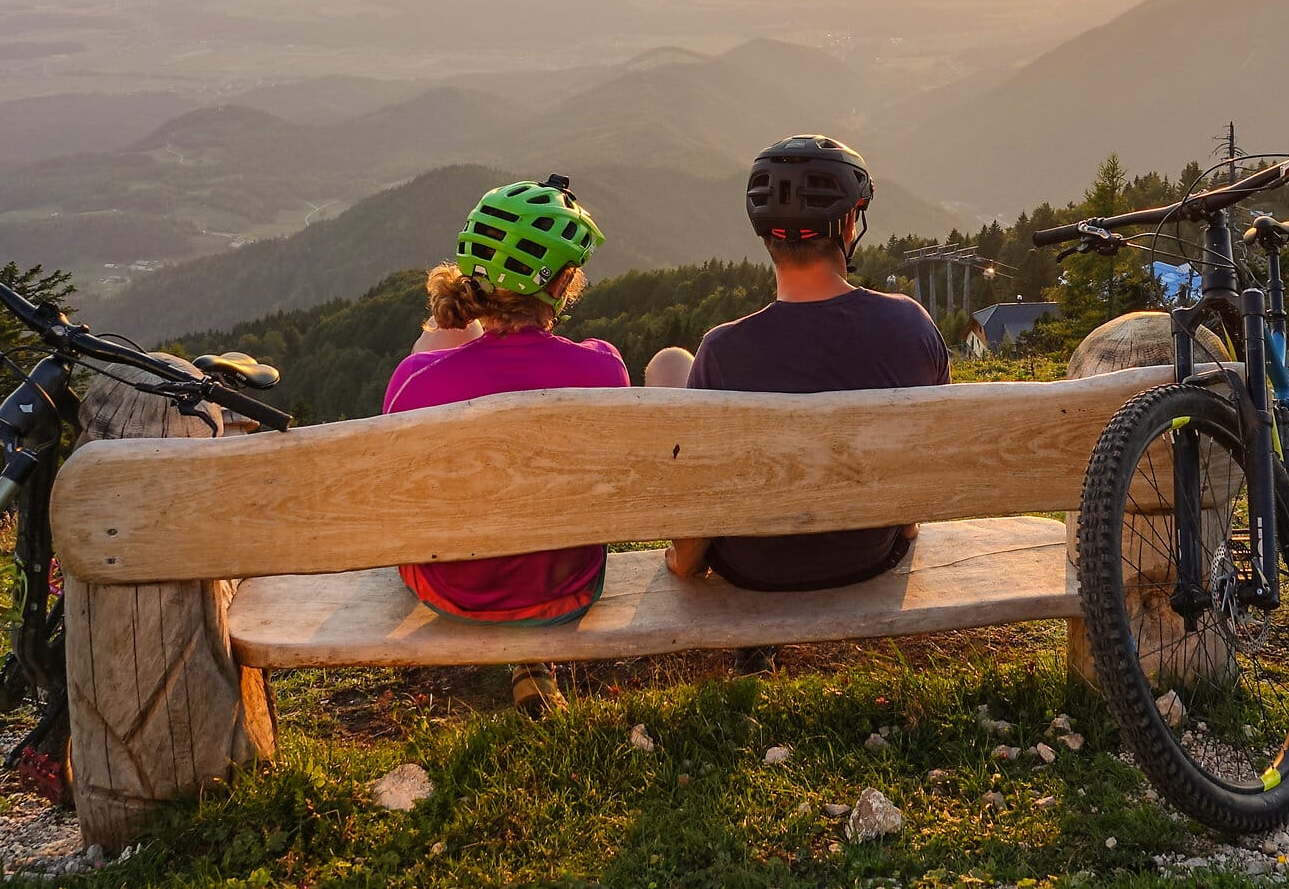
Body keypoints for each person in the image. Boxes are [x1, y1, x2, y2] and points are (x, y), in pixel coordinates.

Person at [662, 135, 948, 672]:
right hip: (868, 554)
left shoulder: (721, 351)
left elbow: (699, 488)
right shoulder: (909, 324)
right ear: (848, 225)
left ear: (763, 233)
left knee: (670, 371)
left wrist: (685, 562)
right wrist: (904, 525)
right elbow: (926, 456)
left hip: (753, 569)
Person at [383, 174, 628, 714]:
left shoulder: (415, 379)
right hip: (565, 583)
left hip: (452, 587)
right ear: (562, 284)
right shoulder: (604, 370)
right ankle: (534, 662)